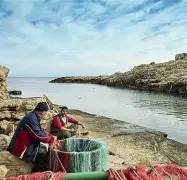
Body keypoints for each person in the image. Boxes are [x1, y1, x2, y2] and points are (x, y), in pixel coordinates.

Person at [7, 102, 55, 172]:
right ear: (42, 111)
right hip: (20, 146)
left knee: (43, 147)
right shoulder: (31, 118)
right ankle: (39, 173)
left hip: (24, 141)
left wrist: (49, 135)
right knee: (43, 152)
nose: (46, 114)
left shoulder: (33, 115)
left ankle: (36, 166)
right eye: (46, 112)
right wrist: (50, 139)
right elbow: (37, 135)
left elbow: (38, 130)